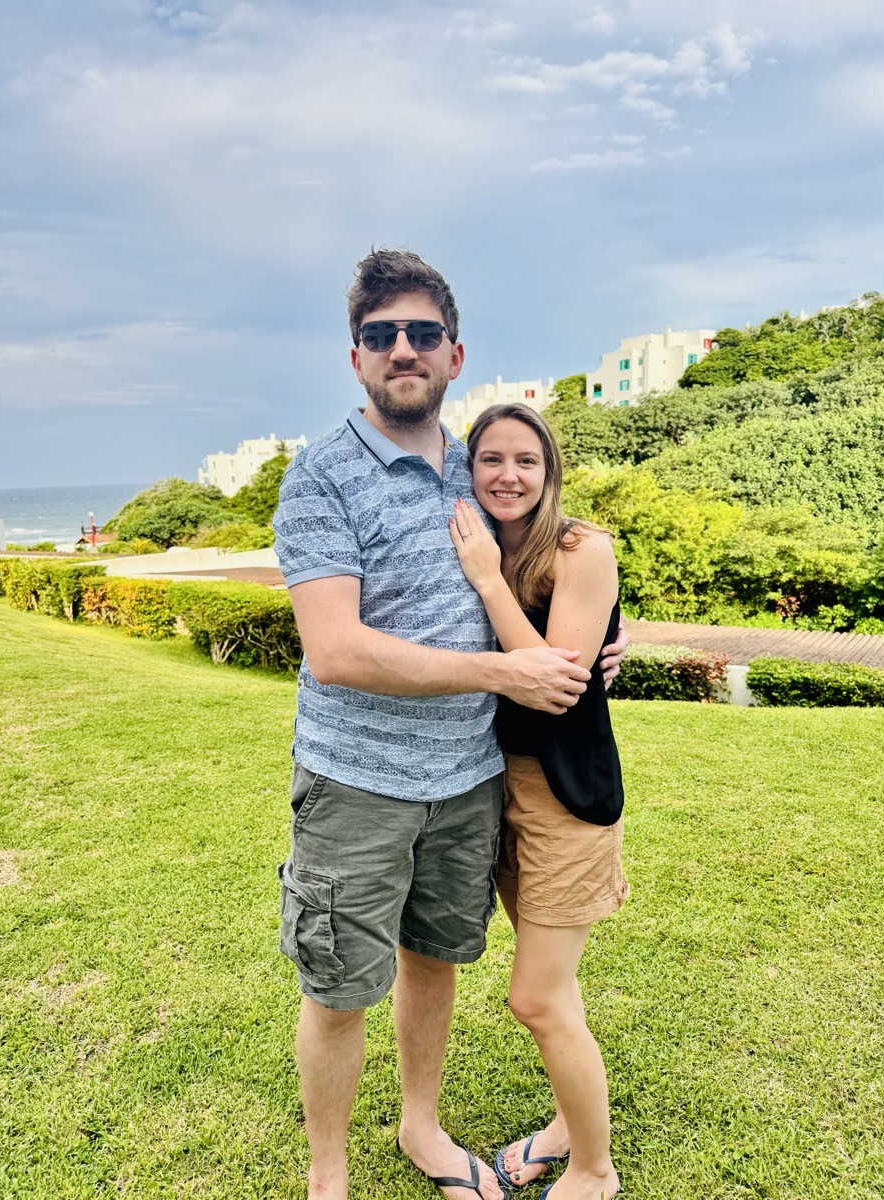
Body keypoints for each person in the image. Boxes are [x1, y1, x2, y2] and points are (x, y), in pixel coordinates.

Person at [273, 249, 628, 1200]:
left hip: (470, 780)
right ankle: (328, 1175)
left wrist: (600, 646)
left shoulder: (475, 469)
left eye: (422, 334)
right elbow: (336, 649)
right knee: (341, 986)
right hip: (357, 782)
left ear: (454, 354)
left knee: (435, 962)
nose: (402, 349)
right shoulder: (321, 477)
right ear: (355, 358)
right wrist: (504, 670)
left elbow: (553, 563)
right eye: (380, 335)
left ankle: (421, 1125)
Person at [448, 403, 627, 1200]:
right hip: (498, 788)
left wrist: (488, 581)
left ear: (551, 469)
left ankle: (595, 1168)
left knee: (535, 997)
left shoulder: (578, 548)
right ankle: (566, 1126)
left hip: (565, 797)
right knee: (558, 992)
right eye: (491, 459)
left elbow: (555, 685)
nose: (509, 475)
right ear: (470, 468)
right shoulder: (482, 542)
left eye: (527, 460)